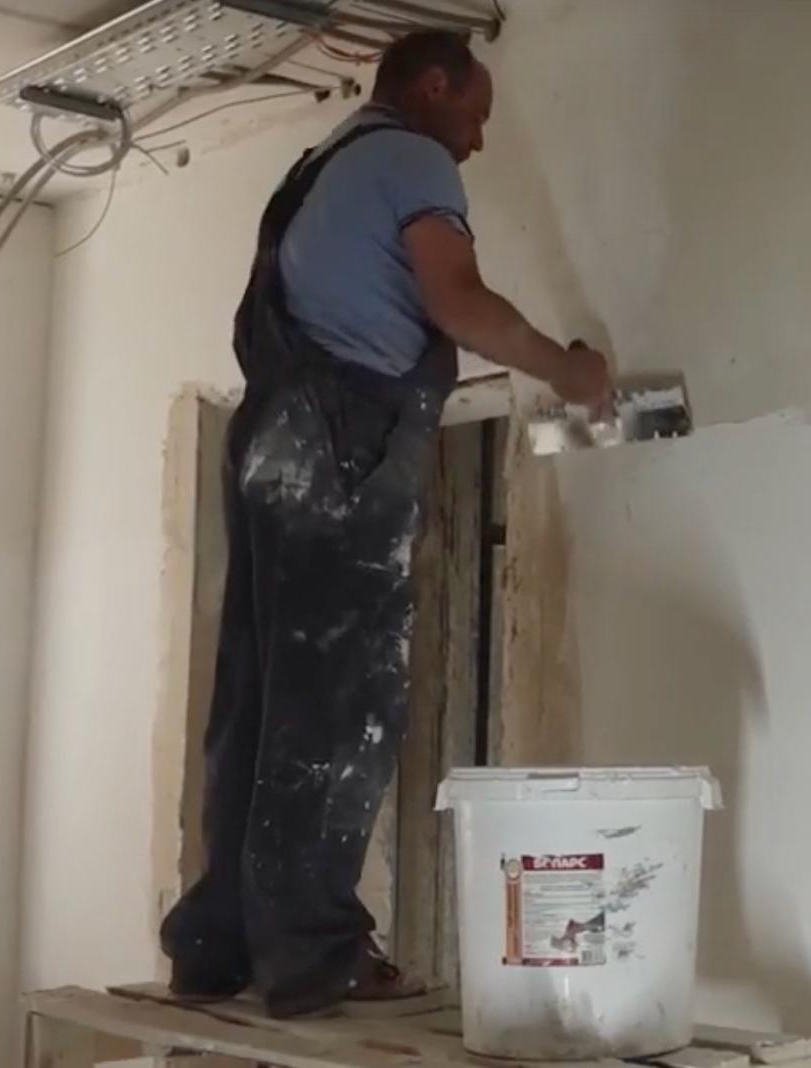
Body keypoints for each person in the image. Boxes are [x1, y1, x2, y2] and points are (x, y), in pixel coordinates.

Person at [158, 29, 613, 1016]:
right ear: (435, 84)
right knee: (338, 700)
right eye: (476, 115)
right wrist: (568, 371)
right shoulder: (409, 154)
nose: (477, 142)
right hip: (339, 438)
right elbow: (458, 300)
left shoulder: (323, 166)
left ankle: (214, 946)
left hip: (273, 437)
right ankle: (312, 954)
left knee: (259, 695)